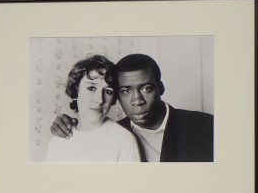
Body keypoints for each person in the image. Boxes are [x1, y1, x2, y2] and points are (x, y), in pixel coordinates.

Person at [50, 53, 214, 162]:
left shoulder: (205, 126)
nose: (137, 100)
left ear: (161, 88)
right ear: (117, 96)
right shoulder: (117, 131)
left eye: (146, 88)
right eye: (126, 91)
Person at [44, 55, 140, 163]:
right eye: (91, 88)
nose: (99, 100)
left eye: (108, 91)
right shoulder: (57, 142)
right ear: (76, 91)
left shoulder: (124, 139)